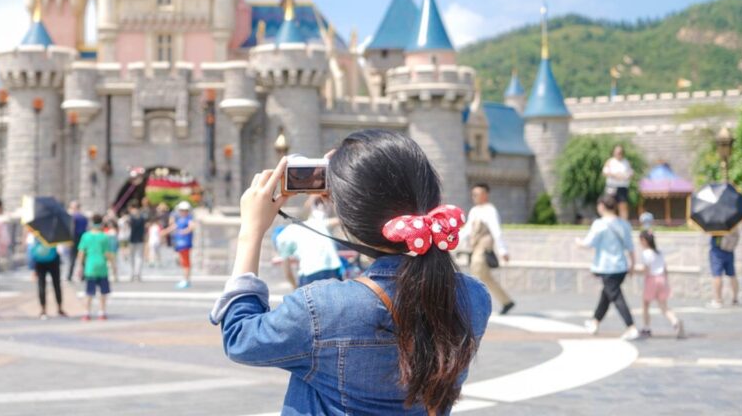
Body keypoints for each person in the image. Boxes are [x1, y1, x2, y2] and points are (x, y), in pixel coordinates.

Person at [210, 130, 491, 414]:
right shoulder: (475, 298)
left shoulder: (321, 309)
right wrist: (352, 180)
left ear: (348, 219)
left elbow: (240, 338)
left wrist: (251, 231)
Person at [576, 194, 639, 340]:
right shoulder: (624, 224)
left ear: (602, 206)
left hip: (607, 267)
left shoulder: (600, 224)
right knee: (606, 295)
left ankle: (631, 327)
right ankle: (595, 322)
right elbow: (630, 247)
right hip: (621, 267)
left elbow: (588, 243)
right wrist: (633, 264)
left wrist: (579, 242)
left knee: (616, 297)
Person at [459, 183, 515, 315]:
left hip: (484, 248)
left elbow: (497, 231)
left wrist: (503, 251)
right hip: (475, 247)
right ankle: (506, 301)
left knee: (476, 274)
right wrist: (452, 241)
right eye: (473, 194)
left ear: (485, 195)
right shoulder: (474, 211)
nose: (474, 197)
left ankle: (474, 307)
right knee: (485, 278)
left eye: (477, 194)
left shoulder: (490, 210)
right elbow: (467, 230)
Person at [274, 195, 343, 287]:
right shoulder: (319, 224)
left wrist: (295, 287)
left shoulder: (286, 235)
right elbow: (340, 220)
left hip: (310, 273)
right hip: (332, 269)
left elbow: (287, 272)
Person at [638, 230, 684, 338]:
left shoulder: (646, 253)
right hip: (662, 279)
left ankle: (646, 328)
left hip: (652, 280)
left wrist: (634, 272)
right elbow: (665, 268)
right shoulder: (659, 252)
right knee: (663, 306)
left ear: (644, 241)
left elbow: (646, 270)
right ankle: (675, 322)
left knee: (645, 305)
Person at [77, 214, 116, 321]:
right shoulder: (104, 236)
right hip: (102, 267)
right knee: (103, 293)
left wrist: (79, 267)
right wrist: (114, 268)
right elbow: (108, 254)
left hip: (90, 267)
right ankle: (102, 312)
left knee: (89, 292)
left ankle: (87, 313)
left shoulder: (85, 236)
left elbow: (81, 253)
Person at [30, 238, 67, 320]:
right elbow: (61, 249)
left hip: (40, 260)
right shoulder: (54, 232)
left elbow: (32, 249)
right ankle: (59, 308)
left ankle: (43, 310)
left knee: (41, 285)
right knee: (56, 285)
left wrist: (32, 267)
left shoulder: (36, 230)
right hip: (53, 259)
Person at [163, 201, 196, 289]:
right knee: (183, 262)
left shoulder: (188, 218)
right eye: (181, 210)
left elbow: (192, 226)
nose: (181, 212)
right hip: (180, 244)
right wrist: (164, 232)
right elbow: (173, 227)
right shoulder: (180, 219)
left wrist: (184, 231)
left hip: (185, 244)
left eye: (183, 210)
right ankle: (185, 279)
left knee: (185, 262)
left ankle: (186, 280)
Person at [707, 226, 740, 308]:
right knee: (732, 274)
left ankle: (718, 300)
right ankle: (735, 299)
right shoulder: (731, 222)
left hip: (717, 251)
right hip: (729, 251)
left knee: (717, 275)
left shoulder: (716, 223)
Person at [602, 144, 634, 220]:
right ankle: (609, 222)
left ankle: (623, 222)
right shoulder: (610, 161)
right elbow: (605, 172)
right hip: (612, 186)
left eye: (620, 152)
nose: (618, 153)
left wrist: (626, 176)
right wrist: (615, 175)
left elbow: (631, 172)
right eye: (617, 152)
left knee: (622, 205)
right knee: (610, 205)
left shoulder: (626, 162)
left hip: (622, 187)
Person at [123, 202, 147, 281]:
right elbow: (145, 228)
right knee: (139, 257)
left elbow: (126, 227)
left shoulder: (129, 218)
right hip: (140, 238)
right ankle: (138, 273)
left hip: (131, 239)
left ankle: (132, 273)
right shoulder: (142, 217)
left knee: (132, 257)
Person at [66, 201, 89, 282]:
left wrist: (69, 241)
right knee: (83, 258)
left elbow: (71, 229)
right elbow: (87, 229)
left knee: (72, 258)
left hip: (74, 239)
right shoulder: (84, 217)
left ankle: (69, 275)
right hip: (83, 239)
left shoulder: (72, 217)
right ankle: (84, 275)